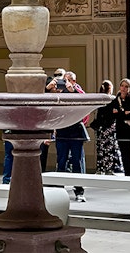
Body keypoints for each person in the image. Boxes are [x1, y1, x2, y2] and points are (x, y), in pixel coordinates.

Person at [50, 73, 87, 201]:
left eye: (67, 80)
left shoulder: (78, 90)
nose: (65, 82)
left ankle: (79, 191)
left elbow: (84, 101)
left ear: (73, 80)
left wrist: (73, 91)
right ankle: (59, 191)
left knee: (77, 161)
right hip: (62, 131)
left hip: (76, 132)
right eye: (64, 80)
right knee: (61, 161)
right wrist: (51, 89)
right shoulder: (60, 92)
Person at [89, 80, 122, 175]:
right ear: (110, 89)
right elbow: (116, 112)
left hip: (100, 128)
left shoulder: (100, 99)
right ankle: (109, 169)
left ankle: (100, 168)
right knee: (110, 149)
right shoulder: (112, 99)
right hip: (109, 127)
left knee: (100, 149)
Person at [113, 78, 130, 177]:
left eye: (126, 86)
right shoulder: (116, 99)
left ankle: (129, 174)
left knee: (127, 151)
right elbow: (114, 114)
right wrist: (124, 113)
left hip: (129, 129)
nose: (123, 88)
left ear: (129, 88)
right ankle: (125, 172)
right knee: (122, 151)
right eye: (122, 86)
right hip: (120, 128)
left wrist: (120, 113)